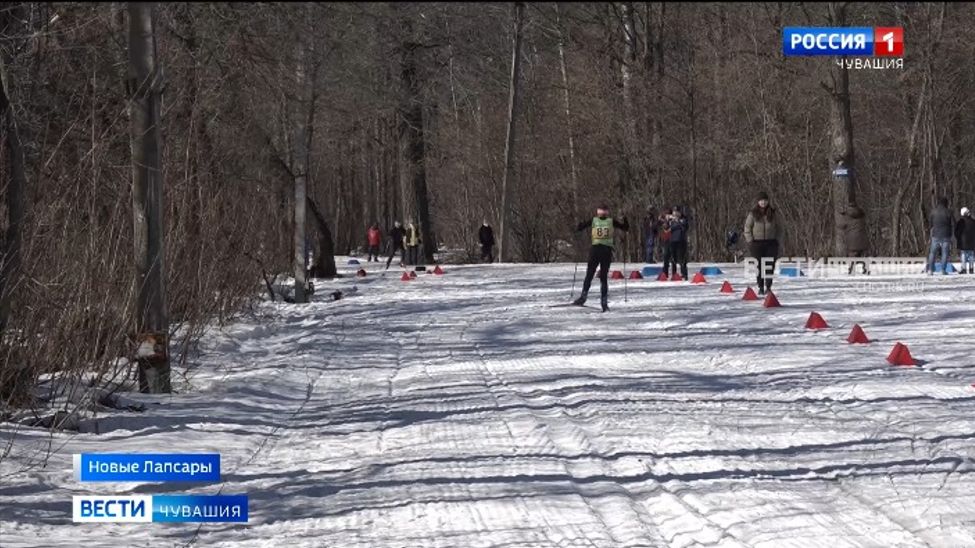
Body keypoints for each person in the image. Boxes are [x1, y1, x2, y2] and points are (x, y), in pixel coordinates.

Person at [573, 204, 629, 312]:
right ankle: (604, 303)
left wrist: (580, 225)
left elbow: (580, 228)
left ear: (598, 212)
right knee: (603, 277)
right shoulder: (611, 221)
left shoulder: (594, 220)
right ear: (607, 212)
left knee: (589, 274)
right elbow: (625, 228)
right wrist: (625, 219)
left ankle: (583, 297)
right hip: (606, 251)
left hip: (595, 250)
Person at [744, 191, 783, 295]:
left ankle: (768, 286)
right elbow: (747, 228)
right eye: (761, 201)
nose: (763, 202)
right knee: (759, 266)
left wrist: (777, 240)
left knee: (770, 266)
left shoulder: (773, 213)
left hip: (771, 243)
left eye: (765, 200)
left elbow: (780, 228)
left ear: (768, 201)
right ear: (758, 202)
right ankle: (760, 287)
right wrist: (750, 241)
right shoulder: (752, 213)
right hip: (757, 244)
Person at [927, 197, 953, 275]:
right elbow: (953, 223)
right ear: (946, 203)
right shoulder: (948, 212)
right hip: (946, 234)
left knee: (932, 253)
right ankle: (943, 270)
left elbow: (930, 224)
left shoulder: (933, 211)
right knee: (945, 253)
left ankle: (930, 270)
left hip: (935, 235)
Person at [841, 202, 869, 275]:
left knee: (852, 255)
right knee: (863, 255)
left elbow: (841, 226)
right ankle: (865, 269)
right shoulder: (862, 215)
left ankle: (851, 269)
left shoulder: (846, 217)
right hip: (862, 238)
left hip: (851, 240)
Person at [666, 206, 689, 279]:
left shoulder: (683, 219)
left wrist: (677, 221)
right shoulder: (671, 220)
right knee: (673, 259)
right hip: (673, 241)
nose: (675, 213)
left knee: (682, 259)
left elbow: (684, 227)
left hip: (681, 241)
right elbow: (666, 229)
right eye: (674, 211)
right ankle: (674, 274)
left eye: (677, 212)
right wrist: (667, 221)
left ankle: (684, 274)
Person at [955, 207, 975, 274]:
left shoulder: (960, 221)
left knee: (963, 254)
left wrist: (958, 238)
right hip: (972, 241)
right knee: (971, 255)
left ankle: (964, 269)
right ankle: (971, 269)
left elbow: (957, 232)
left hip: (963, 241)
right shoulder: (973, 221)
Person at [658, 208, 673, 276]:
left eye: (669, 215)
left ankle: (674, 272)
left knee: (673, 258)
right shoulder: (663, 221)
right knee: (665, 257)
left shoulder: (673, 221)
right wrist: (661, 219)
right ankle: (665, 273)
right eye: (666, 215)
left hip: (672, 240)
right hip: (665, 240)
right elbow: (658, 225)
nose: (668, 216)